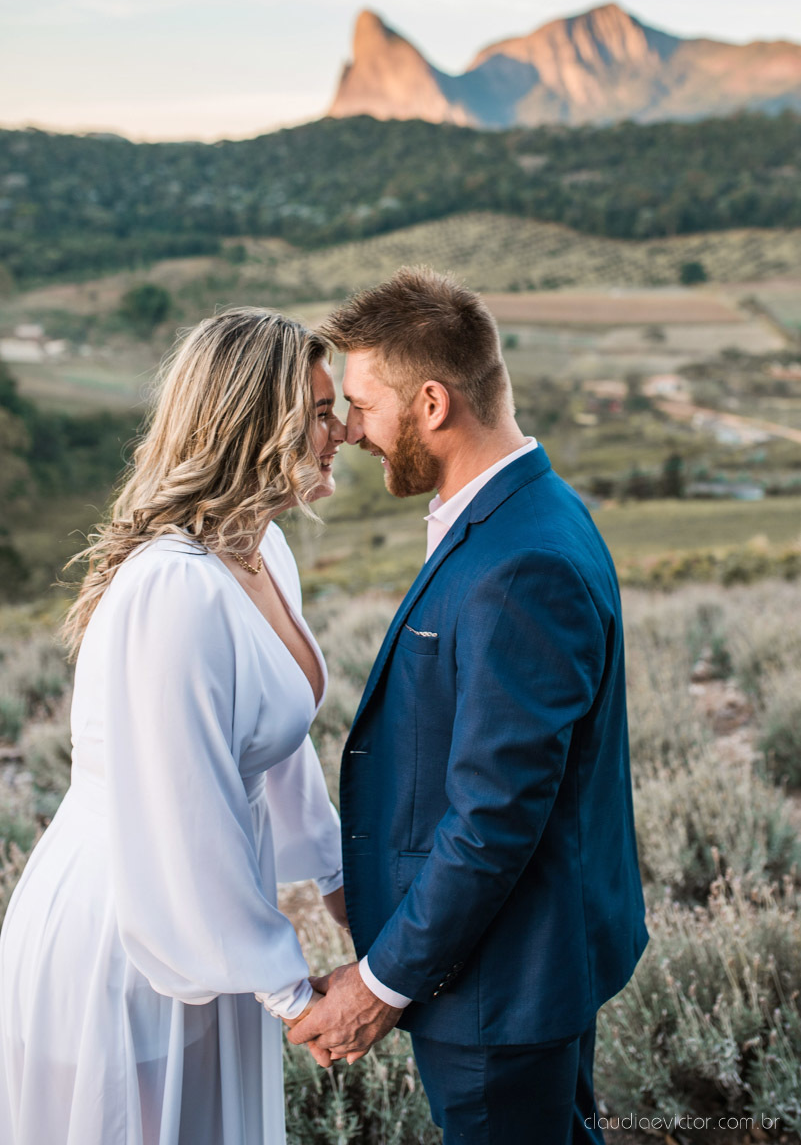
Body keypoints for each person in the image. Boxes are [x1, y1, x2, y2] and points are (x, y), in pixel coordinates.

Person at [289, 268, 649, 1144]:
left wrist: (379, 987)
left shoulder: (518, 566)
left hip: (498, 988)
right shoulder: (528, 513)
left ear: (433, 404)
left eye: (365, 406)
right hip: (515, 967)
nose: (350, 431)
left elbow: (494, 816)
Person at [0, 308, 348, 1145]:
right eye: (321, 412)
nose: (344, 431)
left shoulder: (260, 552)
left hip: (213, 923)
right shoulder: (174, 586)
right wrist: (294, 995)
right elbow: (181, 812)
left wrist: (346, 895)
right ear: (255, 424)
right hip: (128, 932)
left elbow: (277, 751)